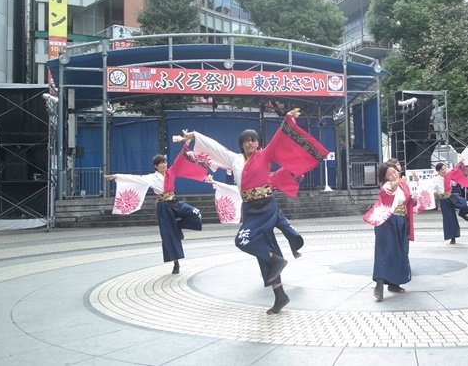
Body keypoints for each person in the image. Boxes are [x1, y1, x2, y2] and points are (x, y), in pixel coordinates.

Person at [182, 108, 328, 314]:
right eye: (247, 140)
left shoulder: (265, 154)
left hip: (266, 205)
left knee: (242, 241)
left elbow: (279, 139)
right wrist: (195, 135)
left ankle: (278, 256)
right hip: (250, 208)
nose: (251, 143)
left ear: (258, 143)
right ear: (241, 143)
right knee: (258, 249)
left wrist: (287, 120)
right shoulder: (234, 159)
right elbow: (215, 147)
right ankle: (280, 295)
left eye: (254, 140)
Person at [106, 146, 208, 275]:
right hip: (163, 206)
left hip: (174, 202)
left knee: (195, 213)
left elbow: (179, 159)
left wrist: (186, 144)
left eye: (164, 162)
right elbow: (135, 178)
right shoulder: (151, 178)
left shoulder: (172, 171)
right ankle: (176, 263)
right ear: (156, 166)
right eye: (160, 163)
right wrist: (117, 176)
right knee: (168, 235)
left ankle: (178, 226)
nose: (164, 165)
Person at [367, 159, 417, 301]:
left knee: (401, 251)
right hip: (386, 222)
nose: (394, 175)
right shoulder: (387, 186)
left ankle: (394, 283)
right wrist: (396, 183)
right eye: (390, 174)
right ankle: (379, 285)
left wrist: (414, 200)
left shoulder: (404, 185)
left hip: (401, 220)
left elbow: (408, 202)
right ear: (385, 178)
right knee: (385, 252)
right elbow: (387, 194)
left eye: (394, 172)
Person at [432, 162, 468, 244]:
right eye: (442, 170)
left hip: (452, 196)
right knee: (449, 218)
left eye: (445, 168)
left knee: (467, 204)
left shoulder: (449, 176)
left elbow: (458, 174)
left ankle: (462, 213)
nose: (444, 171)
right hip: (444, 199)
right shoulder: (435, 180)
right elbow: (429, 187)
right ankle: (453, 237)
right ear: (438, 171)